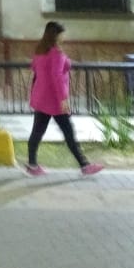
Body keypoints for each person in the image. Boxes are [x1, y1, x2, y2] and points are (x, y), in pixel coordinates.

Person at [25, 20, 103, 176]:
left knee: (37, 132)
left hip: (41, 98)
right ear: (56, 35)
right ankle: (85, 165)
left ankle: (32, 165)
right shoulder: (57, 54)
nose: (64, 36)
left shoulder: (40, 51)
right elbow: (57, 77)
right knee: (68, 132)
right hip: (54, 101)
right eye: (62, 34)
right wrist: (63, 99)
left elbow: (35, 69)